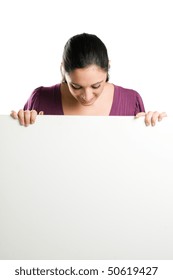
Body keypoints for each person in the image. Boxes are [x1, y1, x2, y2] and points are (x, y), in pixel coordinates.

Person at [11, 33, 166, 126]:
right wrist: (19, 126)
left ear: (108, 69)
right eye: (76, 86)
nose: (87, 96)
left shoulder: (131, 101)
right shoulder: (40, 100)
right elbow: (20, 159)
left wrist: (154, 128)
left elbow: (140, 162)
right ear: (63, 70)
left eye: (96, 85)